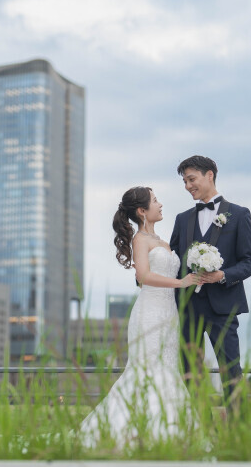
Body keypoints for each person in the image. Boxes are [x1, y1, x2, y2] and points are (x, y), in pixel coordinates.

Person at [79, 186, 201, 449]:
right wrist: (181, 283)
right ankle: (137, 435)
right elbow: (143, 276)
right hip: (148, 314)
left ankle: (169, 433)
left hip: (168, 314)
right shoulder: (140, 240)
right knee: (147, 371)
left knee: (168, 369)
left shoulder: (165, 242)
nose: (160, 204)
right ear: (142, 211)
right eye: (155, 201)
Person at [170, 155, 251, 406]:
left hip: (224, 310)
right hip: (188, 309)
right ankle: (200, 435)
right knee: (191, 375)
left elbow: (249, 262)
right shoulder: (182, 219)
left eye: (191, 179)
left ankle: (237, 434)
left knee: (231, 372)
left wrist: (222, 275)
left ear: (209, 175)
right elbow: (174, 262)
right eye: (185, 181)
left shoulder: (239, 215)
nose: (187, 186)